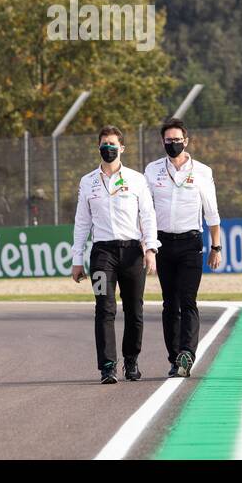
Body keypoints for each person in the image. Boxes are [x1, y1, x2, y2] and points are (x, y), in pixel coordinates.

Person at [71, 126, 160, 384]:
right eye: (103, 144)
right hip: (102, 253)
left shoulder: (136, 179)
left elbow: (148, 215)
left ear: (122, 148)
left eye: (112, 144)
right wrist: (77, 259)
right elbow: (81, 222)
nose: (108, 148)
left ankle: (131, 361)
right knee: (104, 308)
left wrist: (150, 248)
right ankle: (107, 366)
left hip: (132, 251)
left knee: (134, 308)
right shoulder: (87, 181)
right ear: (98, 147)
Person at [144, 117, 223, 378]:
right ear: (162, 142)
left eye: (178, 140)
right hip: (163, 243)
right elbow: (145, 211)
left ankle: (187, 353)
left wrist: (216, 246)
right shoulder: (152, 170)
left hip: (191, 243)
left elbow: (211, 212)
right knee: (170, 303)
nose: (174, 144)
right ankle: (174, 356)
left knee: (188, 300)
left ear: (186, 141)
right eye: (169, 141)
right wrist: (149, 247)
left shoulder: (202, 171)